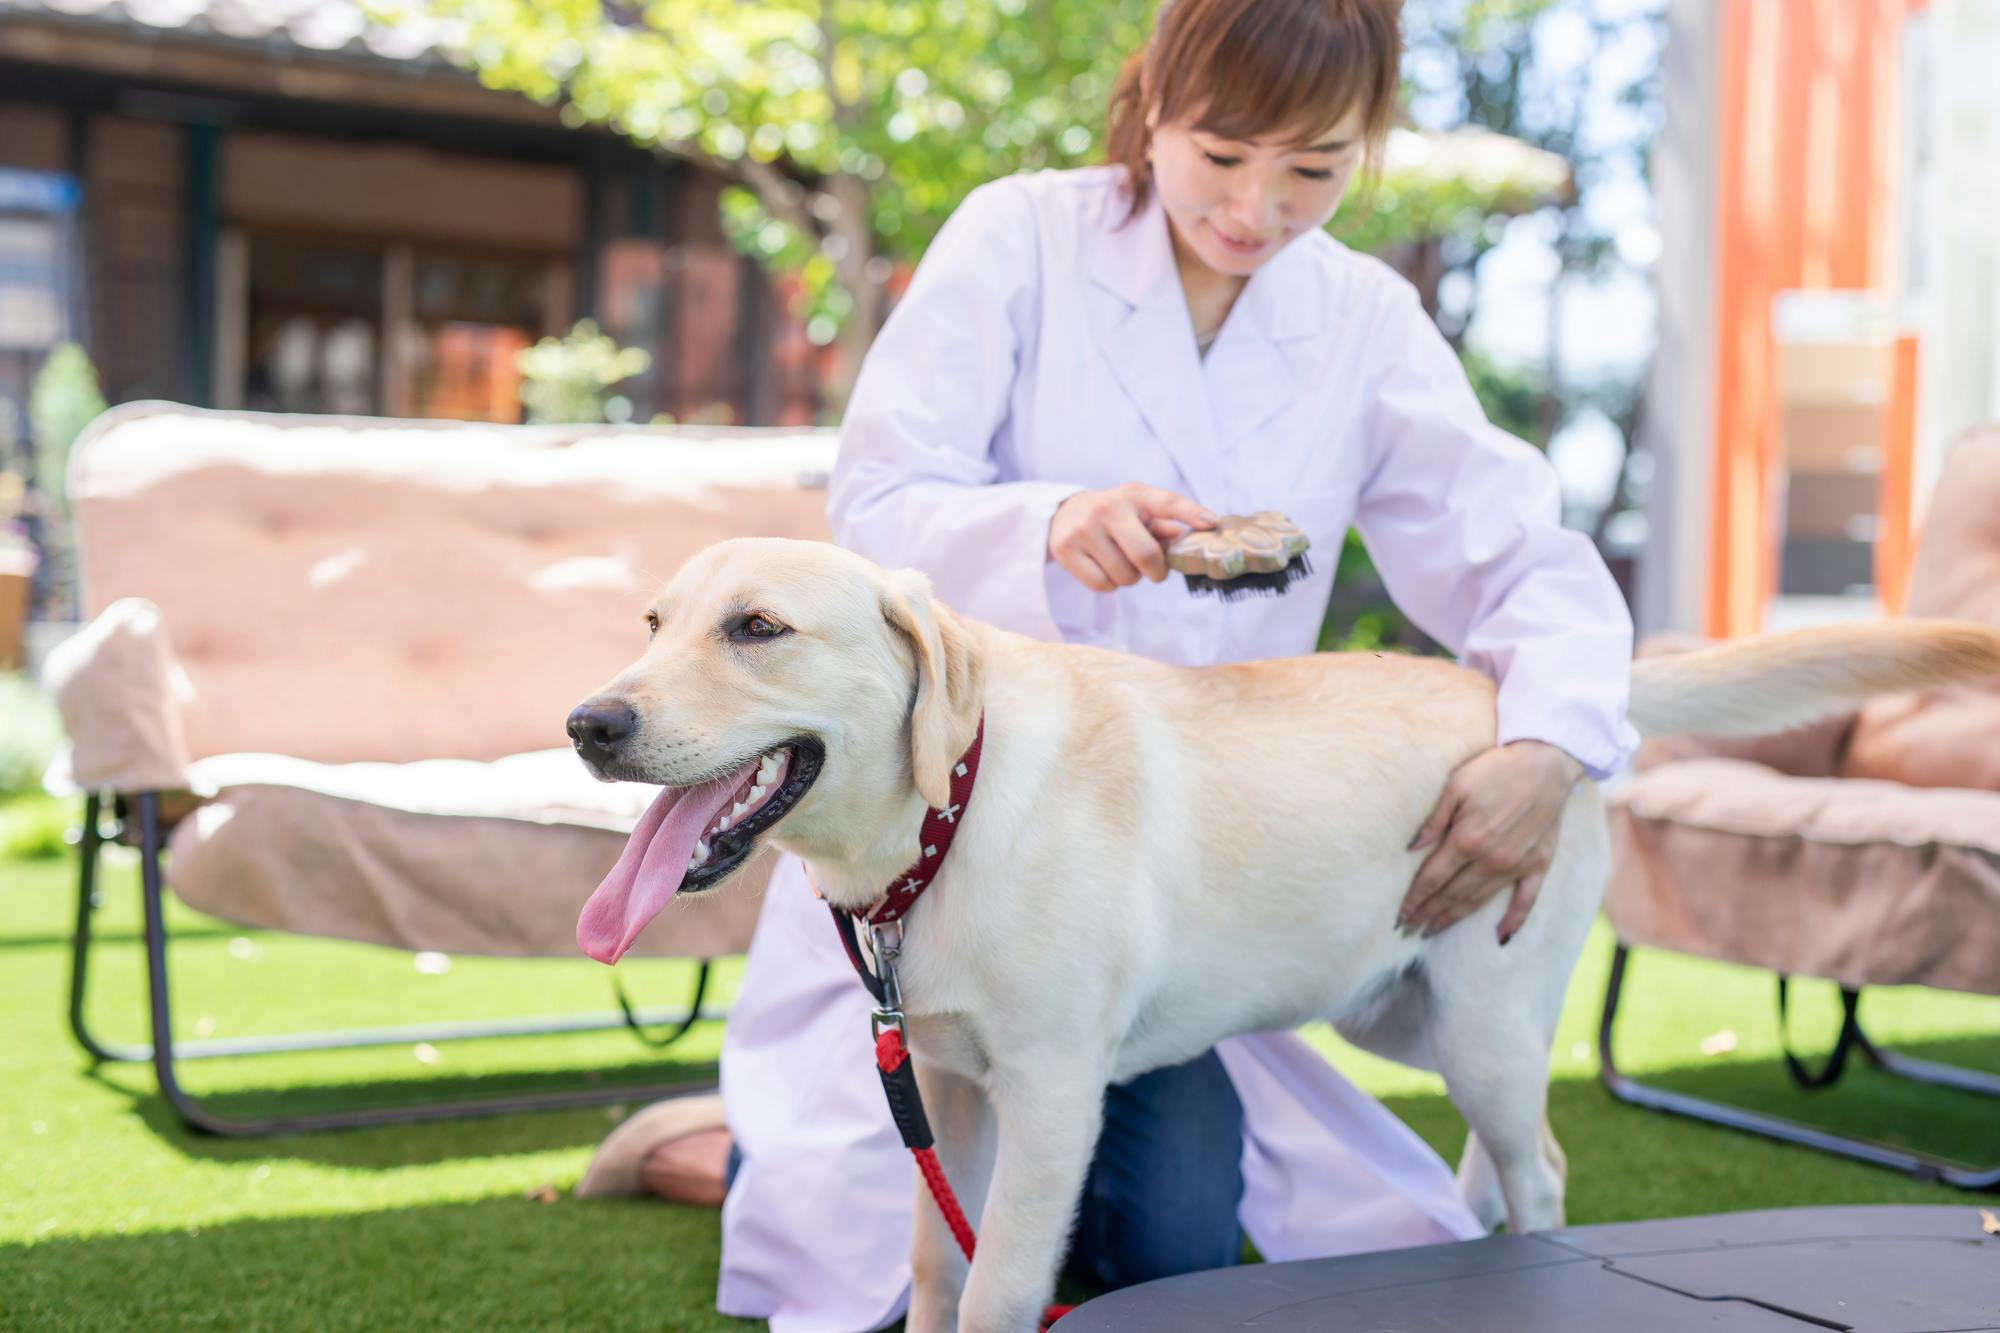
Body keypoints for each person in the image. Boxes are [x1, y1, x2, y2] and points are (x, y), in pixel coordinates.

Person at [588, 1, 1638, 1327]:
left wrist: (1546, 743)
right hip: (945, 835)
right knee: (844, 1254)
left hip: (1180, 887)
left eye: (1314, 169)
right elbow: (876, 512)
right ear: (1153, 108)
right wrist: (1045, 523)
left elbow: (1518, 557)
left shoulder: (1366, 320)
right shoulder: (1021, 235)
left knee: (1174, 1241)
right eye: (1221, 155)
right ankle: (711, 1139)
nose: (1256, 208)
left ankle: (829, 1148)